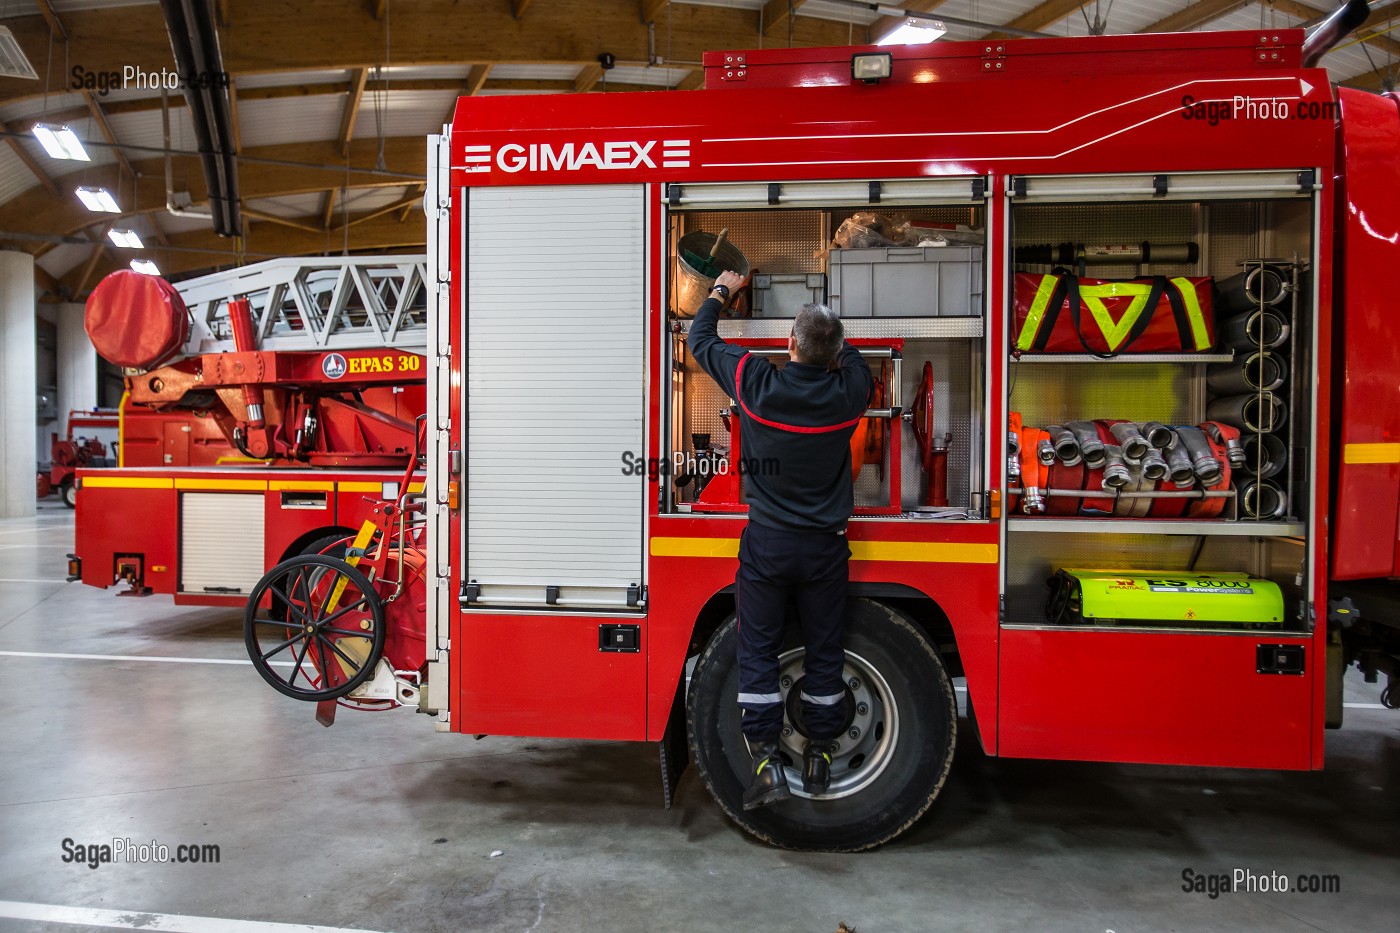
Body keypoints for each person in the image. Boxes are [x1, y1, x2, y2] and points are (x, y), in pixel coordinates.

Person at [688, 268, 874, 810]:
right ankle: (819, 753)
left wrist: (722, 292)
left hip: (767, 546)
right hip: (825, 549)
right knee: (824, 651)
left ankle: (767, 759)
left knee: (759, 650)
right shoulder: (850, 393)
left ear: (788, 344)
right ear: (834, 353)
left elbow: (700, 340)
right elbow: (853, 359)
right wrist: (833, 338)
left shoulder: (755, 381)